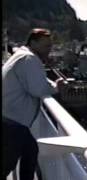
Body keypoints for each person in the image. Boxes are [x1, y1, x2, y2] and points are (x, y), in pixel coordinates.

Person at [2, 28, 65, 180]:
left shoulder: (20, 55)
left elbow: (32, 81)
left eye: (50, 46)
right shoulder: (30, 59)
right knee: (7, 164)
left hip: (9, 116)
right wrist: (57, 87)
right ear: (33, 43)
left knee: (30, 151)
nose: (48, 50)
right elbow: (37, 89)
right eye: (45, 46)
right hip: (13, 121)